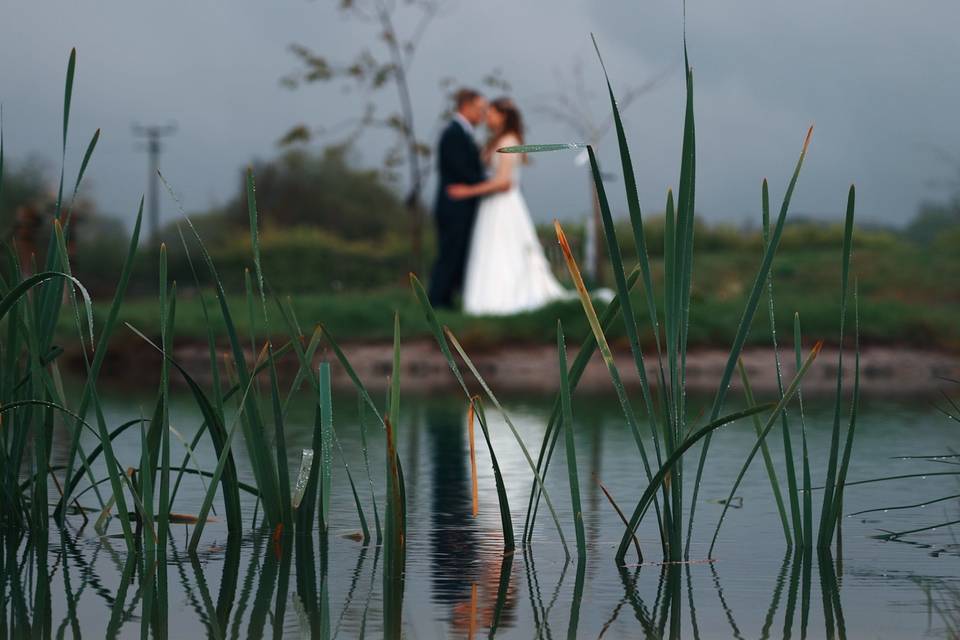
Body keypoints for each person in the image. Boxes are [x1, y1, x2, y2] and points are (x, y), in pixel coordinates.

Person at [447, 97, 574, 315]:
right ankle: (486, 300)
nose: (487, 118)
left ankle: (503, 298)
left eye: (491, 113)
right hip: (492, 206)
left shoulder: (509, 141)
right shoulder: (497, 141)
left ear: (503, 116)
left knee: (506, 248)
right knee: (492, 249)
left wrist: (467, 191)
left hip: (504, 204)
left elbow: (504, 183)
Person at [427, 88, 488, 309]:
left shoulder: (463, 133)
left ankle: (448, 298)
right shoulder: (452, 133)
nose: (483, 114)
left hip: (463, 205)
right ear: (466, 106)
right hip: (454, 205)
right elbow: (461, 170)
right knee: (449, 252)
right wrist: (489, 182)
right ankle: (437, 300)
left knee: (459, 252)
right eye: (480, 109)